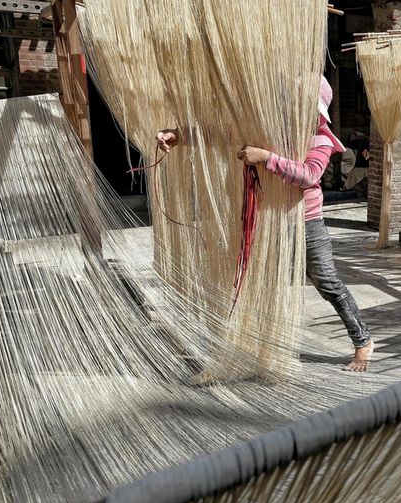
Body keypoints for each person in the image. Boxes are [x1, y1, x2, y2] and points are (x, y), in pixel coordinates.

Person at [156, 76, 375, 372]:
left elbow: (309, 175)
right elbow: (219, 132)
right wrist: (177, 136)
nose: (299, 114)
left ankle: (362, 341)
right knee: (257, 281)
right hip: (270, 220)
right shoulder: (273, 132)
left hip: (307, 222)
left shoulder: (320, 140)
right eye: (294, 106)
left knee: (327, 281)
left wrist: (266, 157)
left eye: (306, 109)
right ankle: (252, 346)